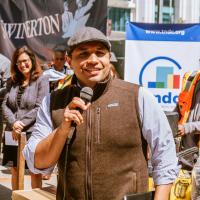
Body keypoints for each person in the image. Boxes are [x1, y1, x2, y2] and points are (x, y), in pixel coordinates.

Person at [23, 27, 179, 199]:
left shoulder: (137, 96)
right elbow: (38, 163)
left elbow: (165, 156)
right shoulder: (53, 102)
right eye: (83, 54)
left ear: (109, 57)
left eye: (100, 53)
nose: (93, 60)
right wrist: (62, 129)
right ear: (69, 60)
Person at [2, 46, 49, 190]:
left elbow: (40, 106)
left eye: (25, 61)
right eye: (19, 62)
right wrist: (14, 123)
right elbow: (5, 105)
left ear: (32, 60)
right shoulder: (12, 81)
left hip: (32, 133)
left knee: (34, 171)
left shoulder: (42, 80)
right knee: (15, 169)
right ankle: (15, 197)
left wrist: (21, 123)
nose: (22, 65)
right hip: (12, 133)